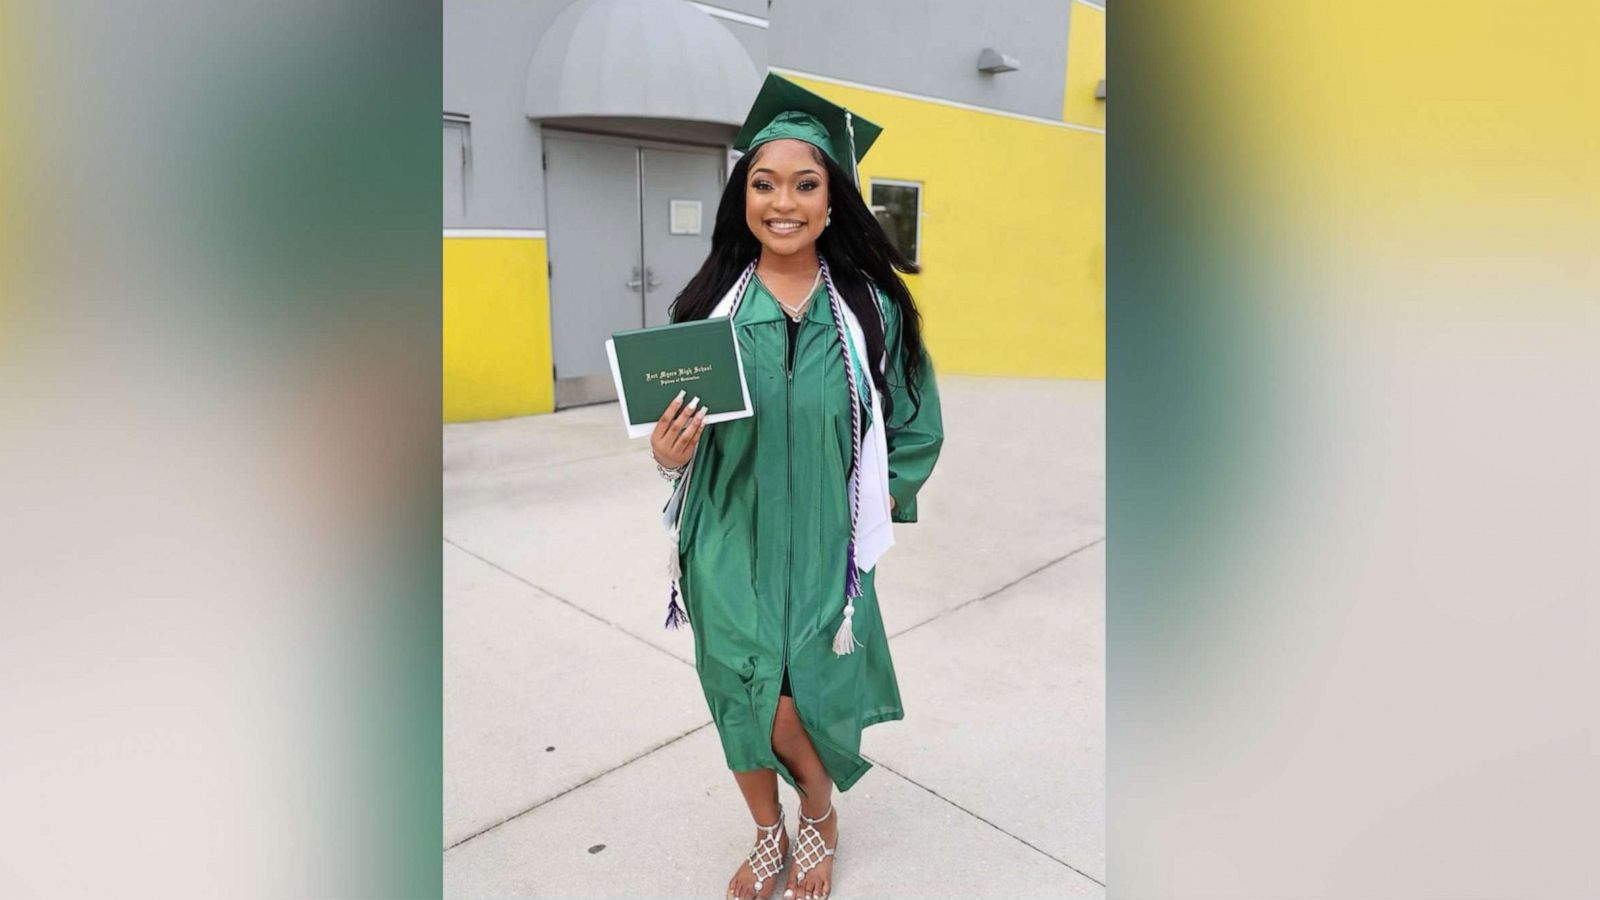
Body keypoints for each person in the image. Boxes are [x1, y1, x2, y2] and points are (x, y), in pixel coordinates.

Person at [649, 74, 943, 900]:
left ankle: (818, 812)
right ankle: (768, 831)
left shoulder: (870, 309)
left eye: (805, 184)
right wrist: (670, 457)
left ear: (832, 198)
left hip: (826, 543)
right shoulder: (706, 308)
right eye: (764, 183)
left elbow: (917, 423)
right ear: (741, 195)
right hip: (727, 539)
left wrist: (886, 497)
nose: (784, 202)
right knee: (743, 696)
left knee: (800, 697)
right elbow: (674, 440)